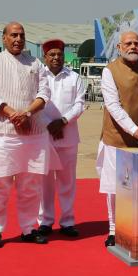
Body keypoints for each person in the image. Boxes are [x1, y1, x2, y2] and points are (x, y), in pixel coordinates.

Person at [0, 22, 60, 248]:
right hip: (1, 136)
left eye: (21, 35)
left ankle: (28, 228)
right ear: (3, 38)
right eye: (13, 35)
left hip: (32, 135)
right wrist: (14, 115)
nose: (18, 39)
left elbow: (45, 93)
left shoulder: (35, 64)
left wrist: (28, 113)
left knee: (30, 186)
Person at [96, 31, 138, 247]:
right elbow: (113, 105)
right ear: (119, 47)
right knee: (116, 187)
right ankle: (114, 229)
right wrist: (133, 129)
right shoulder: (110, 71)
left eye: (136, 43)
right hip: (117, 138)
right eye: (128, 43)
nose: (133, 46)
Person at [37, 39, 85, 237]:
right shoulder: (38, 78)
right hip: (45, 137)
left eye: (60, 54)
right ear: (45, 57)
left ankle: (67, 221)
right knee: (44, 183)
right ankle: (45, 221)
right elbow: (35, 105)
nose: (56, 58)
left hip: (68, 136)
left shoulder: (74, 77)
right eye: (52, 54)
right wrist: (50, 124)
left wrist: (63, 121)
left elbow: (80, 104)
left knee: (67, 182)